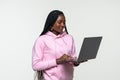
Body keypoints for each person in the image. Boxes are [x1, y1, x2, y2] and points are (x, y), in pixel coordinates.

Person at [32, 10, 87, 80]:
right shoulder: (42, 40)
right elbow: (35, 65)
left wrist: (77, 62)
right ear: (51, 24)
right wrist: (58, 60)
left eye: (64, 22)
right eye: (59, 22)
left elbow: (73, 60)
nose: (63, 25)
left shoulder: (69, 38)